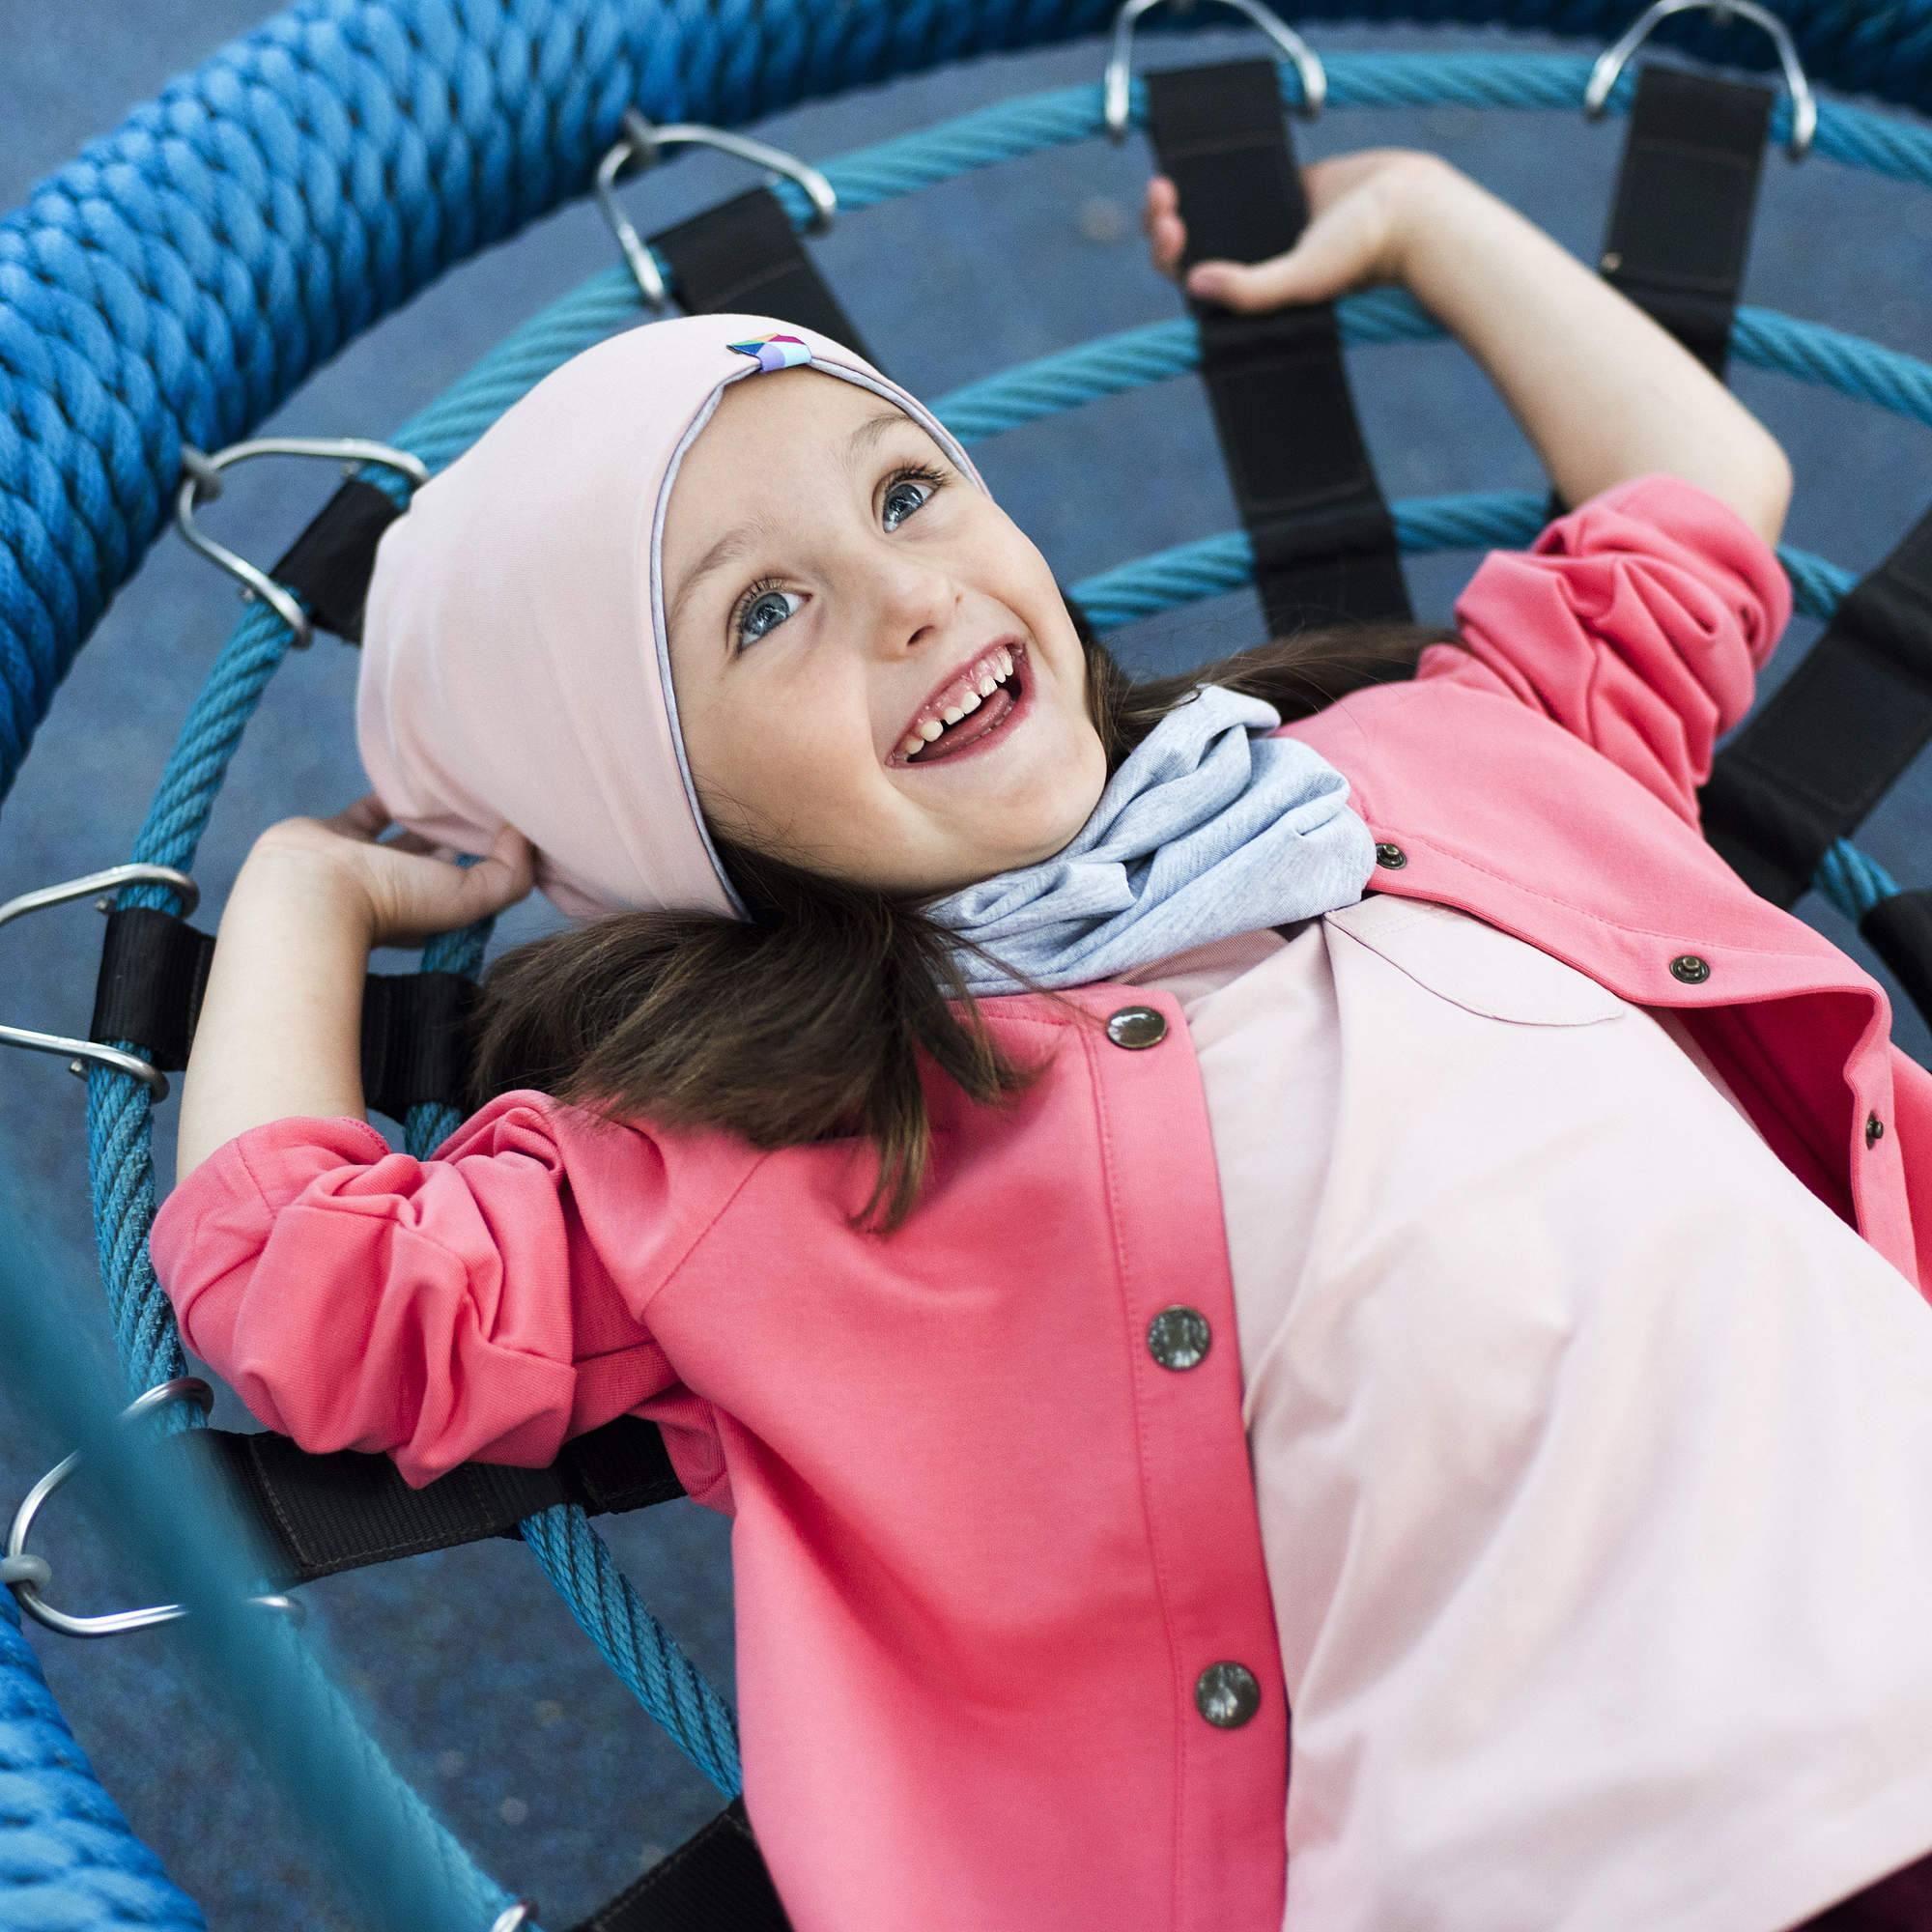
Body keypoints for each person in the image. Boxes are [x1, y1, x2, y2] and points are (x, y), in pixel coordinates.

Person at [148, 147, 1932, 1932]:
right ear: (661, 819)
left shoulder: (1436, 758)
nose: (907, 595)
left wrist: (1425, 217)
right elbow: (305, 1289)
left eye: (909, 492)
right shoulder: (765, 1152)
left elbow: (1698, 494)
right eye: (763, 615)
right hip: (1629, 1853)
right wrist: (310, 895)